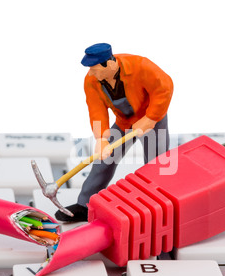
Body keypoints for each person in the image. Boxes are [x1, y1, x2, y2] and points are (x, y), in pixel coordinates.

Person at [55, 43, 174, 222]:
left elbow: (164, 87)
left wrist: (151, 117)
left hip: (152, 121)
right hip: (124, 123)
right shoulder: (92, 81)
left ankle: (159, 208)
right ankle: (85, 205)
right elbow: (96, 111)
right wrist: (102, 138)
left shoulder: (140, 66)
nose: (91, 73)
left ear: (108, 64)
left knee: (156, 164)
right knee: (104, 160)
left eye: (94, 69)